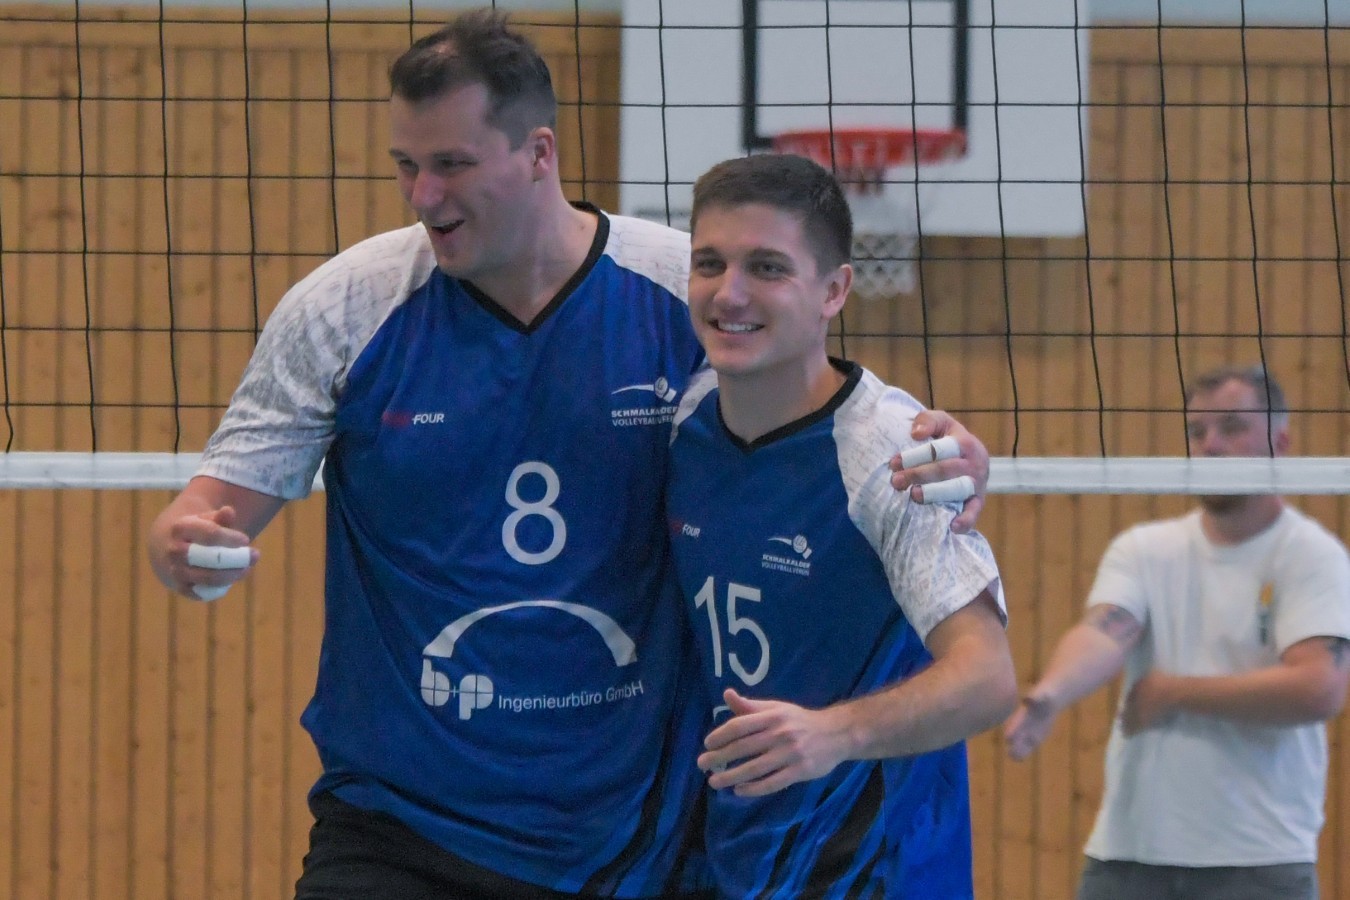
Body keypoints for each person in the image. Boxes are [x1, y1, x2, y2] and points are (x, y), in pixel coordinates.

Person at [146, 10, 993, 899]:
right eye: (406, 165)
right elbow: (209, 511)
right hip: (397, 818)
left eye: (452, 165)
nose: (423, 195)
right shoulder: (347, 308)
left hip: (625, 834)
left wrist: (939, 447)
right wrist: (182, 542)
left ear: (539, 153)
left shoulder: (685, 288)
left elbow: (822, 409)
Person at [664, 153, 1017, 899]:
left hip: (874, 872)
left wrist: (835, 733)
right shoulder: (679, 422)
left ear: (834, 290)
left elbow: (987, 679)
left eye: (767, 268)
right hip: (729, 859)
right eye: (710, 263)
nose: (729, 293)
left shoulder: (894, 454)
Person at [1004, 364, 1350, 900]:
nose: (1211, 445)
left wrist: (1175, 693)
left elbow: (1318, 689)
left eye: (1232, 427)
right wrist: (1051, 693)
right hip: (1129, 861)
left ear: (1280, 444)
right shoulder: (1145, 549)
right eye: (1197, 431)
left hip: (1258, 864)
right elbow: (1104, 631)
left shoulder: (1311, 556)